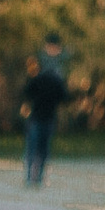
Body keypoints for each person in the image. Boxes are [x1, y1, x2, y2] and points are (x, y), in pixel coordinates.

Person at [20, 42, 66, 188]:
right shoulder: (51, 80)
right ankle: (35, 177)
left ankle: (32, 177)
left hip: (42, 118)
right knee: (40, 149)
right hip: (43, 118)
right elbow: (63, 98)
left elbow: (27, 93)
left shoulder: (43, 80)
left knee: (36, 149)